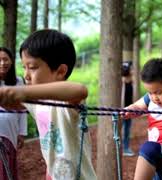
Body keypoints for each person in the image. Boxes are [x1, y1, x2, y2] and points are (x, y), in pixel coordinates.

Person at [0, 30, 96, 179]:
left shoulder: (66, 101)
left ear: (60, 71)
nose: (26, 75)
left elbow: (80, 90)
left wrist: (22, 92)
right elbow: (13, 104)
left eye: (32, 67)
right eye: (24, 67)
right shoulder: (36, 102)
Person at [0, 47, 27, 180]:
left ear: (11, 61)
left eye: (5, 59)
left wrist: (21, 133)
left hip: (10, 132)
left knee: (7, 168)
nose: (2, 63)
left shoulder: (18, 81)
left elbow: (23, 110)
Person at [121, 61, 135, 156]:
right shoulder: (121, 82)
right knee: (119, 129)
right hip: (121, 110)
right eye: (131, 69)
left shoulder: (131, 81)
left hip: (128, 109)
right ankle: (120, 148)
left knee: (127, 130)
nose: (133, 70)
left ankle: (126, 148)